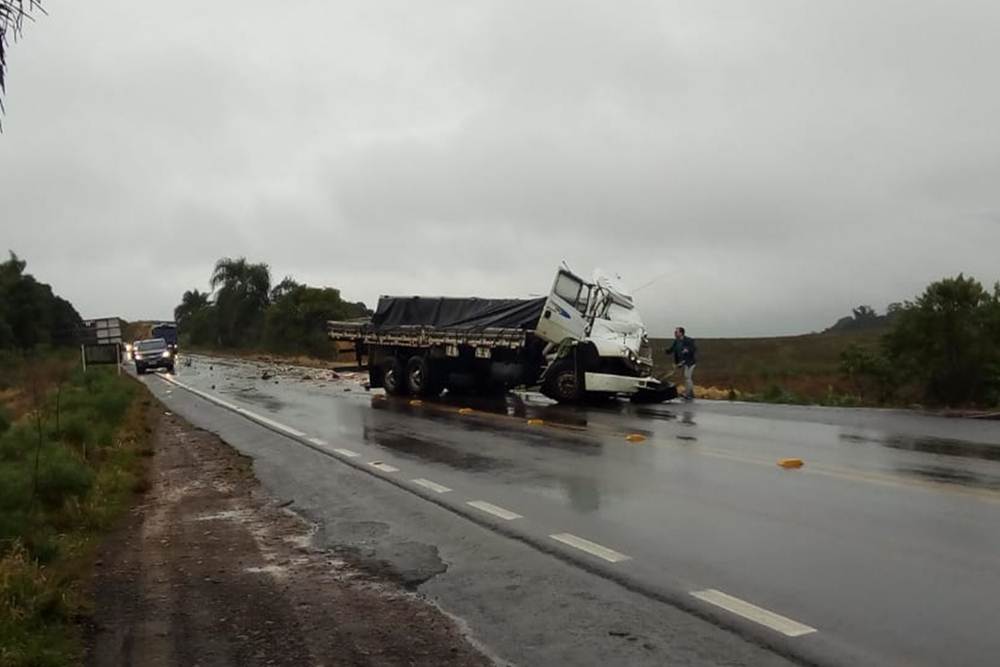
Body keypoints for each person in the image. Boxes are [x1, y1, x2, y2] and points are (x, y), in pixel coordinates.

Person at [667, 327, 697, 401]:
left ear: (681, 333)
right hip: (682, 362)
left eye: (676, 332)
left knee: (687, 377)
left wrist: (688, 350)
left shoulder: (688, 340)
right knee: (687, 378)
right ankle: (691, 393)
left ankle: (688, 394)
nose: (675, 333)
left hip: (690, 362)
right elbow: (672, 349)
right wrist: (667, 351)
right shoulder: (676, 341)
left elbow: (693, 348)